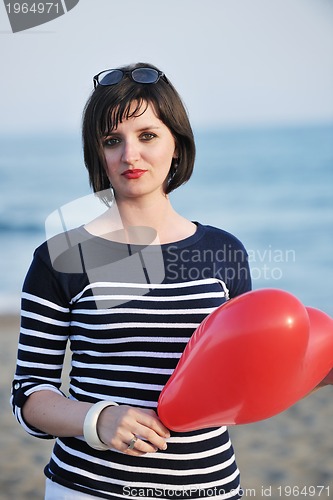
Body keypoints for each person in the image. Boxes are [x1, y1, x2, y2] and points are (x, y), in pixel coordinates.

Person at [11, 62, 259, 499]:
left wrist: (311, 367)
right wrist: (98, 419)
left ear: (177, 145)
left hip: (210, 489)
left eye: (147, 135)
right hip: (88, 489)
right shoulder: (60, 258)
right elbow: (29, 396)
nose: (130, 155)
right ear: (98, 155)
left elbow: (245, 377)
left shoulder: (225, 252)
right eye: (112, 141)